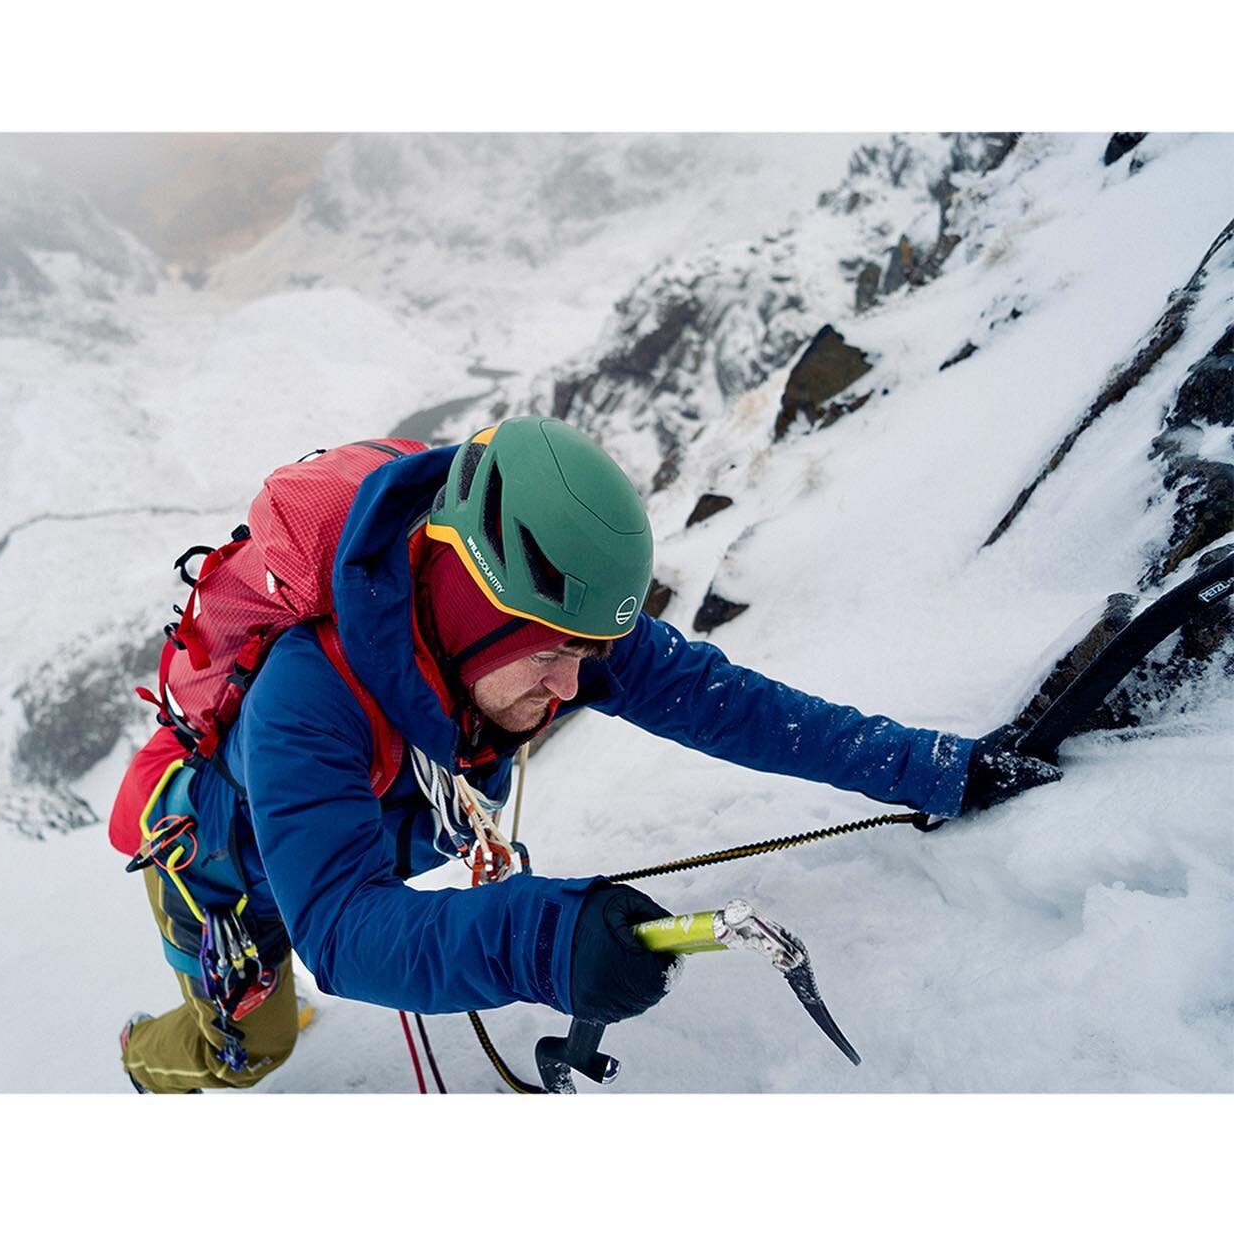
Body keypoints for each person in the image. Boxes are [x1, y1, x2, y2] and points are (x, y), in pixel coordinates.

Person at [118, 417, 1057, 1092]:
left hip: (354, 838)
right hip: (223, 881)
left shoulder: (546, 634)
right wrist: (548, 937)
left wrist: (940, 768)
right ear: (473, 614)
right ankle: (142, 1055)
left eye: (586, 657)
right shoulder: (306, 700)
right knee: (250, 1051)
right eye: (551, 659)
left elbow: (729, 707)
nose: (571, 689)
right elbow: (342, 930)